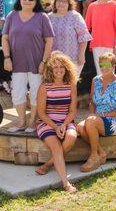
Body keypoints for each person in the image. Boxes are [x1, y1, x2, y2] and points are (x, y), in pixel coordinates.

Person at [2, 0, 54, 134]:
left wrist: (44, 62)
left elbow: (49, 41)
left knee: (36, 93)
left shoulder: (42, 17)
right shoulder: (12, 16)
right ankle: (21, 122)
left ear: (36, 2)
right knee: (17, 92)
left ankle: (32, 121)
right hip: (17, 62)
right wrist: (7, 57)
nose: (26, 1)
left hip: (37, 63)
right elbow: (4, 38)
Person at [35, 52, 79, 193]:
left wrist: (64, 125)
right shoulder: (44, 87)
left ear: (66, 68)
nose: (59, 70)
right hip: (47, 122)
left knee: (71, 137)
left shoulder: (71, 85)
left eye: (61, 67)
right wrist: (55, 126)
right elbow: (41, 113)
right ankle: (66, 184)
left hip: (65, 120)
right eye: (55, 67)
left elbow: (72, 111)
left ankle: (48, 164)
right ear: (50, 70)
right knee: (56, 147)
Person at [76, 52, 116, 173]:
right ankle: (101, 152)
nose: (104, 68)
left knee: (90, 122)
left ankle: (94, 157)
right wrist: (90, 116)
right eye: (102, 65)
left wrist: (101, 116)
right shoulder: (96, 80)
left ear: (114, 66)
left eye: (107, 65)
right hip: (96, 118)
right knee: (80, 127)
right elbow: (93, 102)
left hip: (114, 120)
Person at [49, 0, 92, 76]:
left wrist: (81, 54)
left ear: (69, 3)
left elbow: (83, 37)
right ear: (54, 2)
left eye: (64, 1)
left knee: (71, 85)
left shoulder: (75, 16)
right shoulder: (49, 17)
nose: (61, 3)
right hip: (54, 60)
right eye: (58, 1)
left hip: (73, 59)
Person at [85, 0, 116, 75]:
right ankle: (100, 90)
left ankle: (109, 90)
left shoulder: (115, 6)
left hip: (109, 44)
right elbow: (86, 27)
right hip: (96, 44)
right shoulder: (92, 6)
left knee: (108, 72)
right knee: (100, 72)